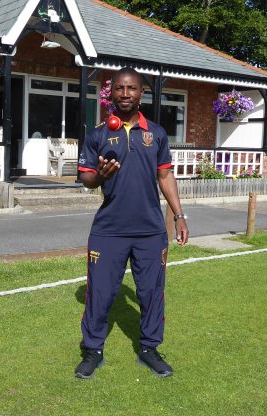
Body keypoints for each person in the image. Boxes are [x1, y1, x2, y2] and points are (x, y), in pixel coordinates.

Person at [74, 67, 189, 379]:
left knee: (152, 291)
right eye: (120, 88)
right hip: (109, 230)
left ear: (142, 93)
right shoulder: (98, 134)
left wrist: (179, 216)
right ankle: (92, 350)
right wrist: (101, 175)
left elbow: (165, 176)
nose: (125, 94)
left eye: (132, 88)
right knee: (100, 292)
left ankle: (150, 349)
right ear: (111, 92)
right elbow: (86, 179)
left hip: (150, 230)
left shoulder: (157, 133)